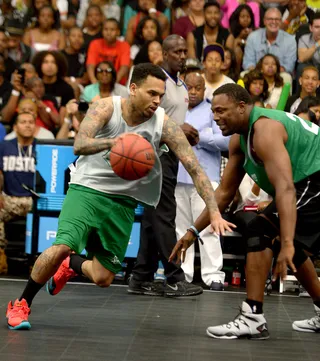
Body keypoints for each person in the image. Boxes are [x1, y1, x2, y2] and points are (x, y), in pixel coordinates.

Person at [6, 63, 233, 330]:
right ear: (133, 89)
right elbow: (80, 144)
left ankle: (71, 264)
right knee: (62, 245)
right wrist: (114, 143)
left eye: (160, 95)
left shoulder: (163, 123)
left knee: (103, 277)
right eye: (151, 93)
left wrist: (214, 211)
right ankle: (21, 304)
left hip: (123, 201)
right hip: (87, 190)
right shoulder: (106, 108)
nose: (157, 100)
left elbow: (194, 167)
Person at [170, 83, 320, 339]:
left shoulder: (264, 129)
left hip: (311, 181)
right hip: (303, 182)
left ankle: (253, 318)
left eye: (221, 111)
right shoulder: (240, 139)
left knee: (262, 232)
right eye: (213, 111)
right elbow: (225, 193)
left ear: (242, 107)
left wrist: (285, 242)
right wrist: (193, 231)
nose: (216, 117)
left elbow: (284, 188)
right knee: (281, 238)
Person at [128, 35, 205, 297]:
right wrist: (177, 130)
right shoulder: (155, 82)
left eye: (185, 51)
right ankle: (174, 277)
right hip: (154, 155)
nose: (182, 56)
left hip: (170, 156)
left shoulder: (181, 84)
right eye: (176, 52)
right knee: (164, 216)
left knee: (152, 219)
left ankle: (140, 277)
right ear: (164, 53)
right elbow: (143, 118)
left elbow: (174, 124)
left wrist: (186, 135)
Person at [175, 71, 230, 290]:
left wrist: (199, 136)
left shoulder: (212, 110)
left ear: (204, 89)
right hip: (178, 177)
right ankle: (183, 273)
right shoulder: (176, 110)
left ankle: (213, 275)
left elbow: (225, 141)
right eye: (189, 87)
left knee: (209, 228)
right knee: (180, 229)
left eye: (198, 87)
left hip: (206, 180)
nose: (193, 91)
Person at [0, 111, 36, 274]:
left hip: (35, 201)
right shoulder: (4, 146)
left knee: (49, 214)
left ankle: (39, 260)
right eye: (23, 122)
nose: (28, 125)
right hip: (10, 199)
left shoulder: (42, 146)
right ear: (15, 127)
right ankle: (0, 256)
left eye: (31, 122)